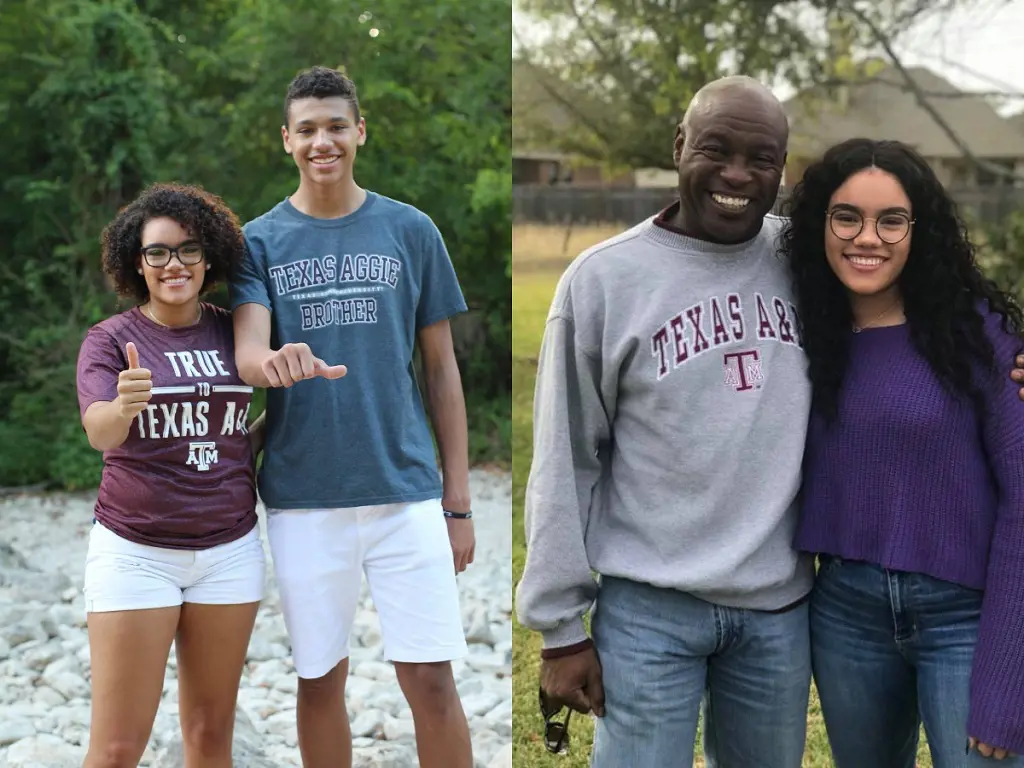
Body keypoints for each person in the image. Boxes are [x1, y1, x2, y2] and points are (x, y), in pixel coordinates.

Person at [516, 75, 814, 767]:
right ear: (679, 145)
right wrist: (560, 629)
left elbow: (912, 304)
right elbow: (565, 461)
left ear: (782, 167)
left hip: (777, 608)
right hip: (651, 610)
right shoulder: (603, 281)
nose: (737, 173)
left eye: (761, 157)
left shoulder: (806, 261)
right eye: (716, 148)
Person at [229, 66, 474, 768]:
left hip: (405, 492)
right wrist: (271, 363)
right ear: (286, 140)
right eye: (306, 129)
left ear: (360, 130)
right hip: (305, 498)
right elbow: (249, 347)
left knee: (430, 678)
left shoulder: (411, 229)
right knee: (319, 678)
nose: (322, 141)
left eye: (336, 125)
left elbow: (441, 369)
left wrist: (457, 501)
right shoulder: (259, 242)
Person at [785, 138, 1024, 766]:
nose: (868, 237)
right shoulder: (797, 332)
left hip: (965, 619)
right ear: (820, 225)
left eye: (891, 219)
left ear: (921, 230)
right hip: (844, 613)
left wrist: (1005, 687)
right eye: (847, 217)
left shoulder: (977, 337)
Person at [75, 183, 267, 768]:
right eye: (157, 252)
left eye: (187, 250)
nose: (173, 263)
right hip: (136, 553)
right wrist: (125, 405)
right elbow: (100, 433)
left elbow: (240, 431)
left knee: (211, 737)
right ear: (138, 261)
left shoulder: (235, 328)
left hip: (230, 552)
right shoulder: (111, 341)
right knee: (116, 748)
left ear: (208, 257)